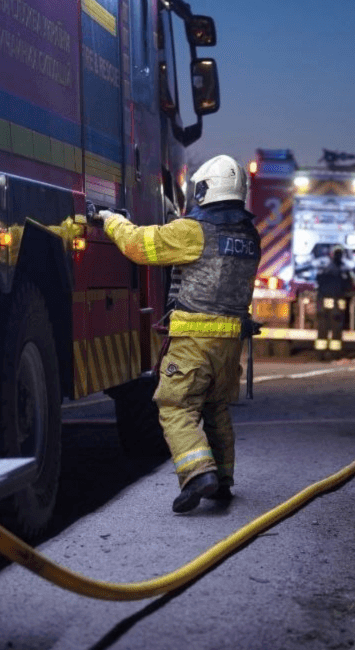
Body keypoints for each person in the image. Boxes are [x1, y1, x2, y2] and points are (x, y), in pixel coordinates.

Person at [93, 155, 260, 513]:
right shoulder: (249, 236)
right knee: (215, 409)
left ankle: (198, 473)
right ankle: (224, 481)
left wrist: (111, 221)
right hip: (230, 345)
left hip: (194, 341)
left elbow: (139, 246)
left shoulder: (192, 232)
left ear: (205, 189)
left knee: (175, 405)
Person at [315, 247, 355, 360]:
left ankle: (320, 354)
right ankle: (334, 355)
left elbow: (318, 281)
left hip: (324, 304)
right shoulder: (344, 271)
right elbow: (349, 286)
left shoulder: (325, 269)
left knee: (322, 328)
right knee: (336, 330)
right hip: (337, 305)